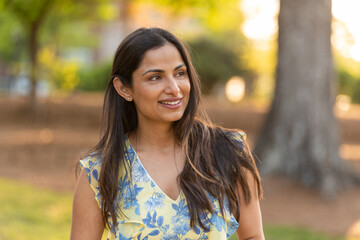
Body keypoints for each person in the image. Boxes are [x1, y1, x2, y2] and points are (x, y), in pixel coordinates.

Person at [70, 27, 264, 240]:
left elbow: (252, 236)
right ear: (124, 88)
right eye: (155, 77)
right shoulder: (99, 170)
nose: (174, 88)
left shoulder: (229, 151)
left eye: (180, 73)